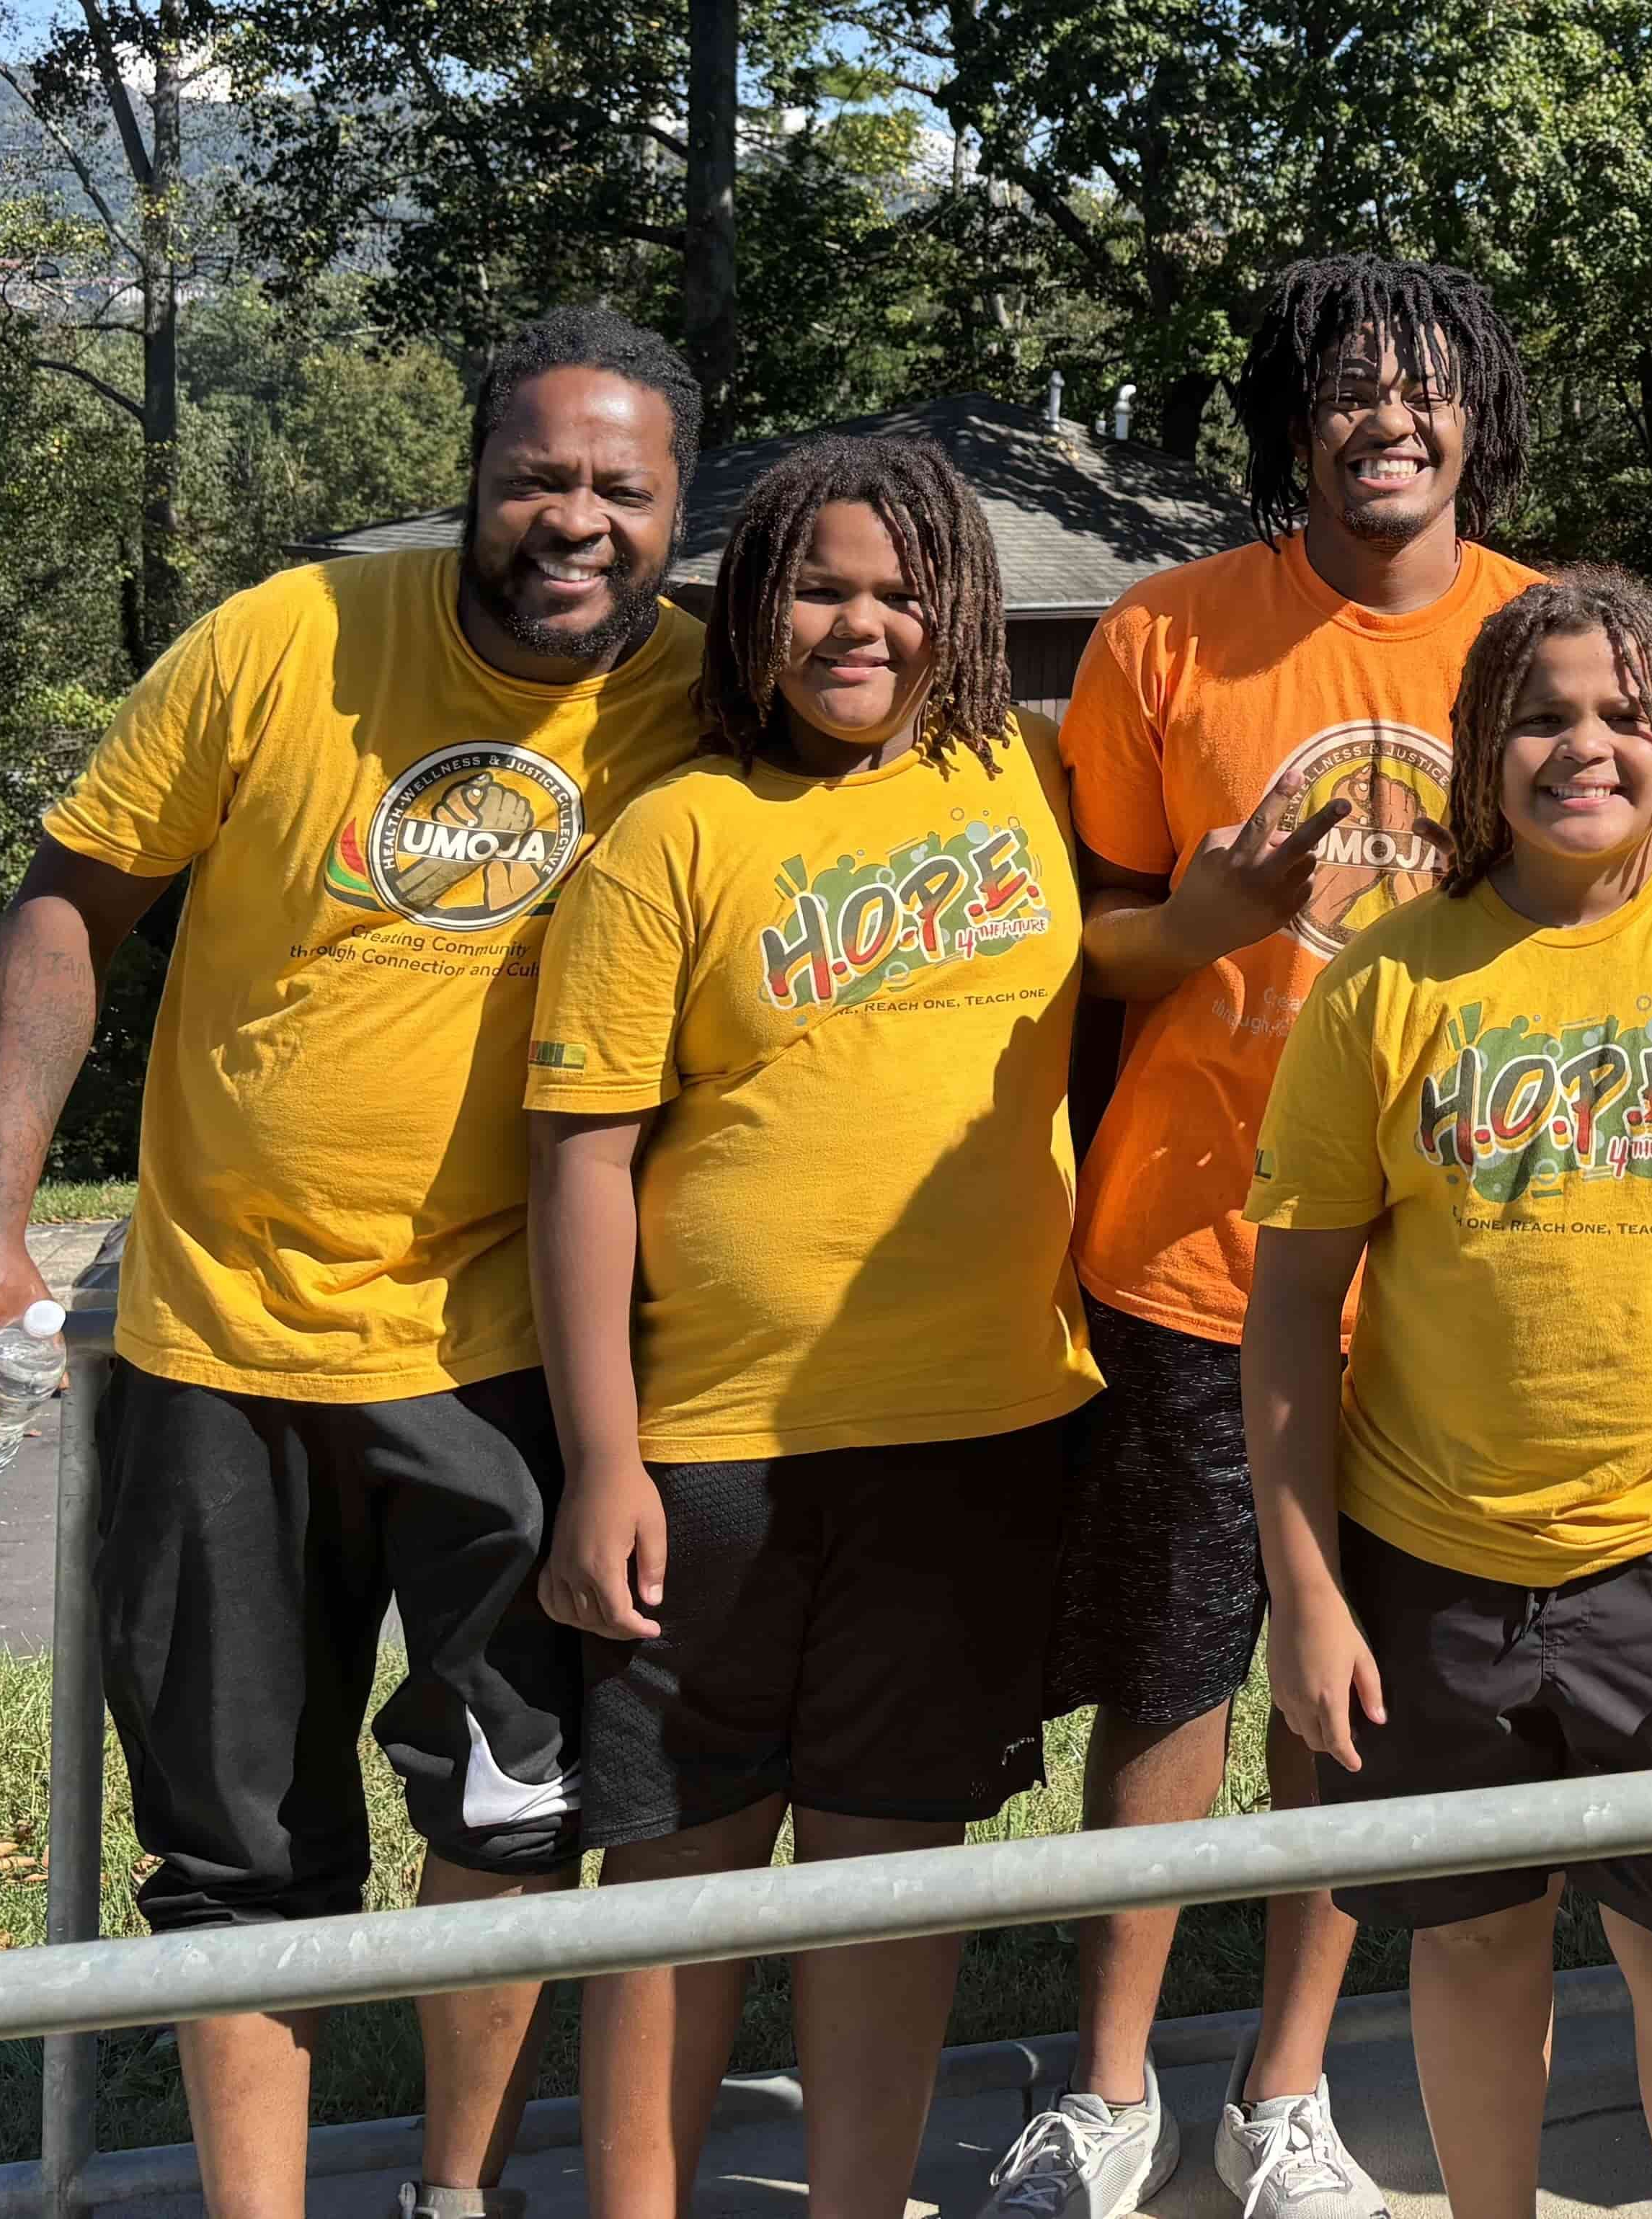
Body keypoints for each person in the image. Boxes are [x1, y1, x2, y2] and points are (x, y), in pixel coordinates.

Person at [0, 306, 708, 2219]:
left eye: (618, 488)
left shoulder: (708, 702)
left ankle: (455, 2192)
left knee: (511, 1810)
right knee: (235, 1849)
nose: (572, 520)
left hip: (517, 1359)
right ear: (472, 483)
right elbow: (72, 908)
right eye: (535, 479)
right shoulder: (282, 645)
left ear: (674, 509)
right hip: (217, 1342)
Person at [1245, 566, 1652, 2219]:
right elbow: (1284, 1332)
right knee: (1471, 1943)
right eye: (1542, 714)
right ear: (1482, 748)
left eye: (1624, 714)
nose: (1583, 746)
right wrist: (1307, 1594)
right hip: (1425, 1569)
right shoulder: (1384, 984)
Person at [998, 253, 1547, 2219]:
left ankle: (1282, 2096)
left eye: (1424, 384)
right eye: (1346, 386)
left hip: (1458, 1276)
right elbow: (1093, 948)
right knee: (1171, 1677)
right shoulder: (1170, 638)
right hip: (1196, 1257)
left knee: (1355, 1696)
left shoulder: (1545, 643)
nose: (1386, 417)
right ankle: (1109, 2094)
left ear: (1476, 411)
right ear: (1291, 418)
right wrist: (1211, 930)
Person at [525, 436, 1101, 2219]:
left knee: (885, 1868)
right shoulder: (672, 835)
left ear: (961, 612)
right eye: (823, 588)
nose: (864, 624)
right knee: (683, 1875)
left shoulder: (1026, 773)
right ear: (755, 612)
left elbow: (1105, 975)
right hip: (717, 1448)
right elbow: (582, 1159)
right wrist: (604, 1456)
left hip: (983, 1428)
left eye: (901, 589)